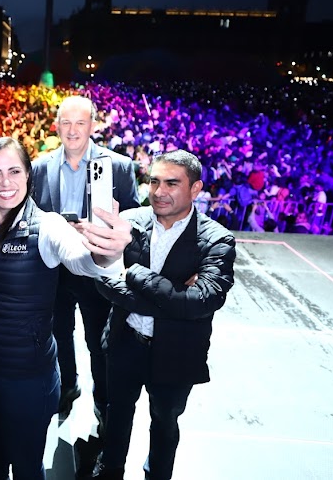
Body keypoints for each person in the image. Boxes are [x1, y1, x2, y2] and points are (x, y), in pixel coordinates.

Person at [0, 137, 132, 480]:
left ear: (28, 175)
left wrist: (106, 254)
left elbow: (82, 261)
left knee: (27, 466)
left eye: (14, 171)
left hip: (27, 378)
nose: (5, 182)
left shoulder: (48, 226)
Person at [88, 149, 236, 480]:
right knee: (117, 412)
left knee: (166, 421)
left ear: (195, 189)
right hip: (125, 341)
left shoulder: (216, 240)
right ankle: (110, 466)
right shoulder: (130, 220)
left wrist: (133, 273)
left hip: (176, 353)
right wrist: (173, 298)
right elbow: (104, 283)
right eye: (154, 181)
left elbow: (201, 302)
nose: (159, 191)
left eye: (171, 183)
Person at [30, 95, 139, 418]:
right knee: (59, 333)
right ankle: (67, 385)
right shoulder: (39, 167)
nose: (72, 130)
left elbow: (133, 219)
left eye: (80, 123)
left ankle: (102, 398)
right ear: (57, 126)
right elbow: (32, 215)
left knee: (98, 339)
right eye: (66, 122)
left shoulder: (117, 166)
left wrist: (107, 229)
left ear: (93, 125)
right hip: (55, 268)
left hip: (97, 266)